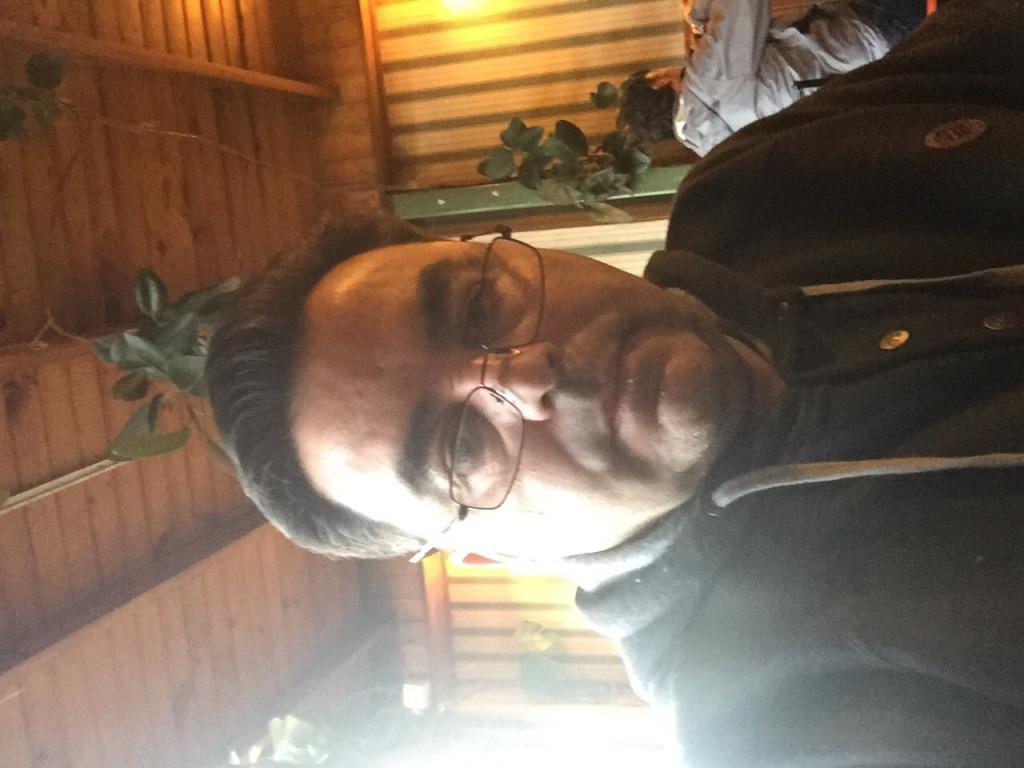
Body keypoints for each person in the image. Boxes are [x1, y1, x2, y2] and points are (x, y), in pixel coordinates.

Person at [207, 0, 1024, 764]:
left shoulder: (758, 186)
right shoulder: (780, 713)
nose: (528, 375)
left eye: (480, 305)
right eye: (459, 446)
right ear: (484, 552)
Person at [618, 0, 926, 155]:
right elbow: (741, 7)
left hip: (883, 83)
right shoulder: (708, 85)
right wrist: (696, 14)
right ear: (658, 81)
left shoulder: (717, 148)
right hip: (868, 35)